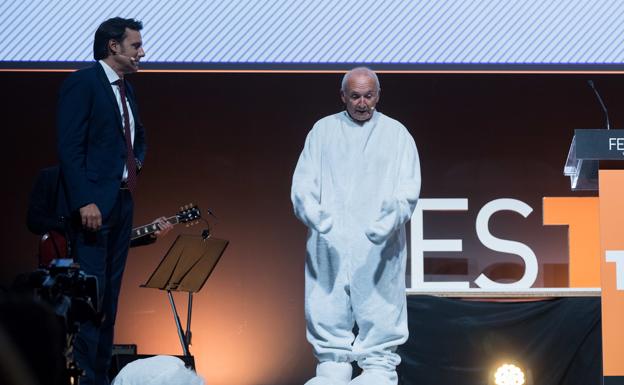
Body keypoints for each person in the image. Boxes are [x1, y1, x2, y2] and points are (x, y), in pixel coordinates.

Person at [291, 67, 421, 385]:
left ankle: (378, 371)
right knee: (326, 308)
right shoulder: (322, 131)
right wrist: (317, 216)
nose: (362, 103)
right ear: (343, 97)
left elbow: (408, 189)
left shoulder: (396, 134)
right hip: (329, 243)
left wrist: (387, 221)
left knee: (380, 309)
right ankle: (332, 371)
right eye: (355, 96)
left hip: (378, 247)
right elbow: (303, 185)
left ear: (378, 95)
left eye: (369, 95)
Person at [56, 17, 152, 385]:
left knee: (109, 303)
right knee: (91, 302)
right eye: (135, 46)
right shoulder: (83, 83)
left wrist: (134, 163)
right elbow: (69, 147)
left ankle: (100, 380)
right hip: (94, 208)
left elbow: (137, 135)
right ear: (113, 46)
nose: (142, 52)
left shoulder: (126, 89)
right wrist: (85, 201)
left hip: (122, 203)